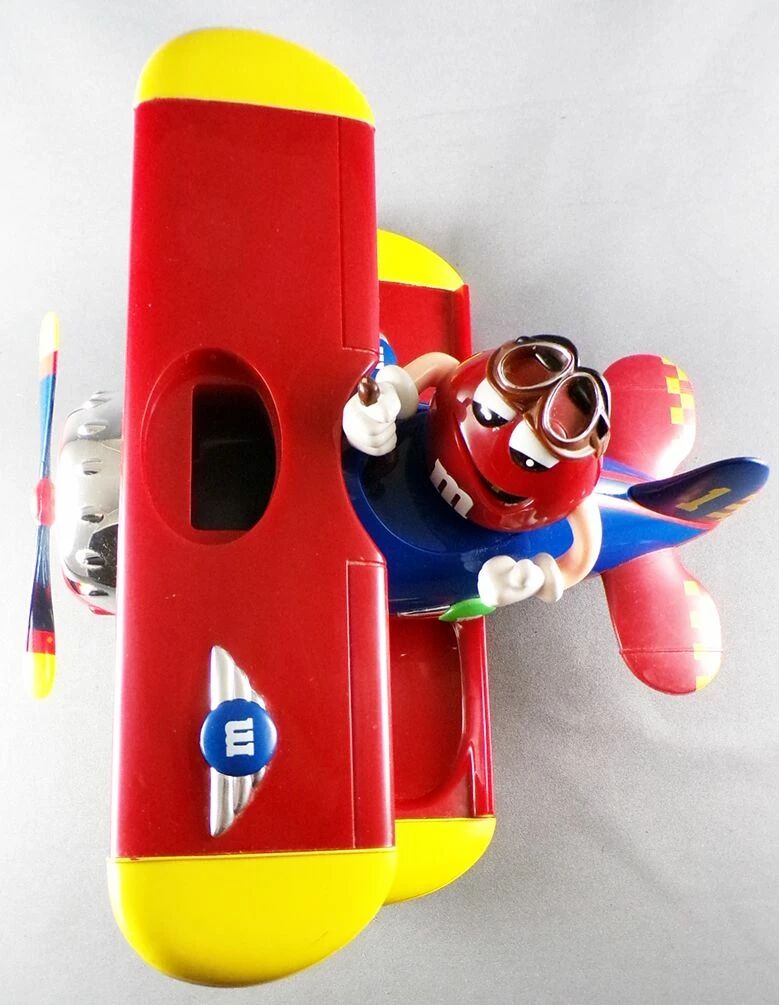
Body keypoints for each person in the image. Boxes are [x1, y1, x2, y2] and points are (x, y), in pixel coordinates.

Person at [343, 336, 611, 614]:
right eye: (489, 413)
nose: (494, 441)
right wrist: (376, 407)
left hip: (469, 541)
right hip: (402, 457)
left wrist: (538, 579)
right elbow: (441, 367)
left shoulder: (576, 494)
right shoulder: (463, 381)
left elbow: (582, 557)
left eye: (528, 460)